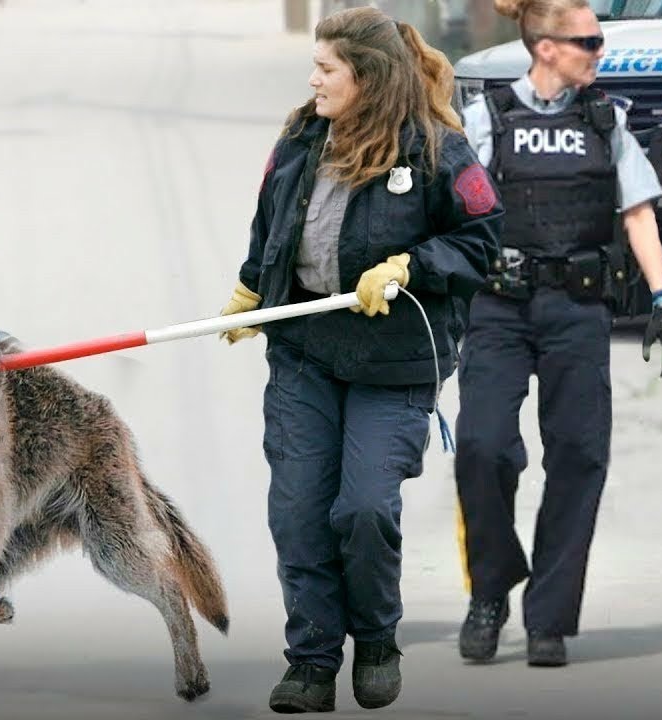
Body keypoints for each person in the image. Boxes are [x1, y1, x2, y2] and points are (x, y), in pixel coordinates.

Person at [219, 7, 503, 713]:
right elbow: (272, 219)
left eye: (327, 69)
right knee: (299, 512)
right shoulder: (298, 138)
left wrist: (412, 264)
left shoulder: (437, 150)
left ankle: (375, 640)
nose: (312, 80)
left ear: (368, 77)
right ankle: (312, 663)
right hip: (306, 352)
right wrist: (254, 287)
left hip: (395, 361)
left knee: (365, 510)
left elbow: (484, 238)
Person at [454, 0, 662, 668]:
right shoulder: (485, 120)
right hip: (499, 307)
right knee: (483, 448)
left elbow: (638, 216)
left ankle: (548, 617)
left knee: (580, 455)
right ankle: (491, 589)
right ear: (547, 47)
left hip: (579, 309)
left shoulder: (606, 121)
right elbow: (453, 213)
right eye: (590, 41)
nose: (599, 52)